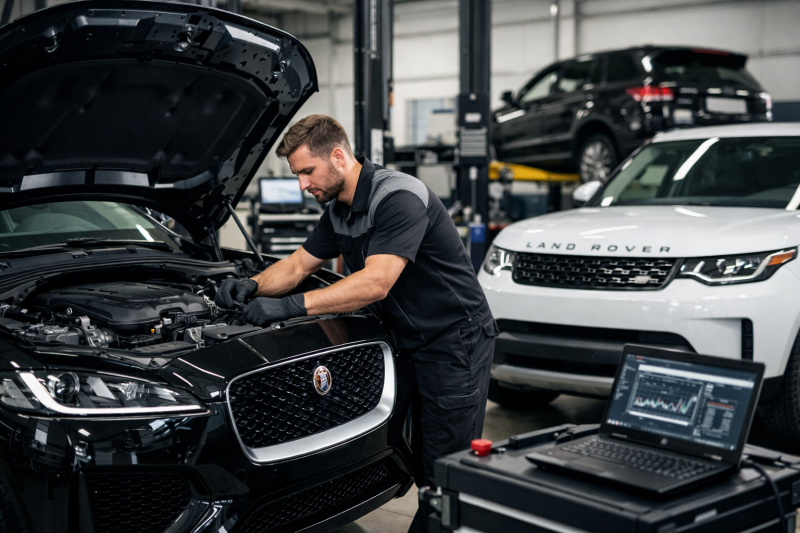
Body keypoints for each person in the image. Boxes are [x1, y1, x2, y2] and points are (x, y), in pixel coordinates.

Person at [215, 114, 498, 532]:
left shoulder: (398, 197)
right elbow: (297, 266)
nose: (302, 185)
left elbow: (376, 283)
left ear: (338, 156)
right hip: (408, 340)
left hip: (454, 342)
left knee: (444, 469)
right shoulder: (339, 210)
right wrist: (251, 286)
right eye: (296, 175)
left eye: (307, 172)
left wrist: (287, 308)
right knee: (418, 456)